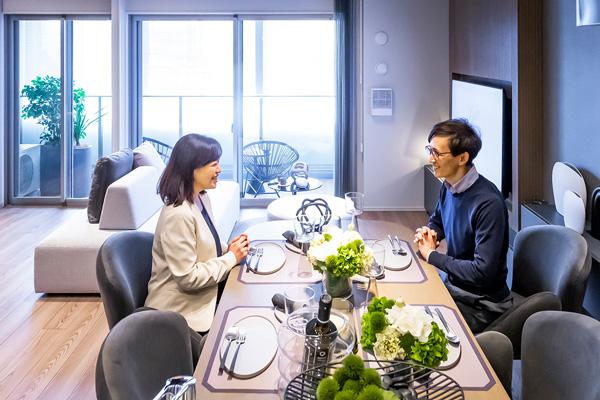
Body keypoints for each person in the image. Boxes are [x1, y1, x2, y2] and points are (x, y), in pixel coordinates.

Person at [145, 133, 249, 335]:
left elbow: (203, 245)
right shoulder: (178, 215)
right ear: (192, 168)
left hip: (205, 292)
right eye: (214, 164)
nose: (219, 169)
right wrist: (231, 257)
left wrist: (229, 249)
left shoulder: (201, 198)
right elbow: (188, 278)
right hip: (180, 311)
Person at [414, 119, 511, 333]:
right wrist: (431, 233)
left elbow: (482, 272)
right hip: (456, 287)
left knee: (417, 329)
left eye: (437, 153)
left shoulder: (488, 203)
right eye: (430, 150)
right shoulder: (449, 185)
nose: (431, 158)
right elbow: (438, 219)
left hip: (481, 304)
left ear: (462, 158)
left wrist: (432, 255)